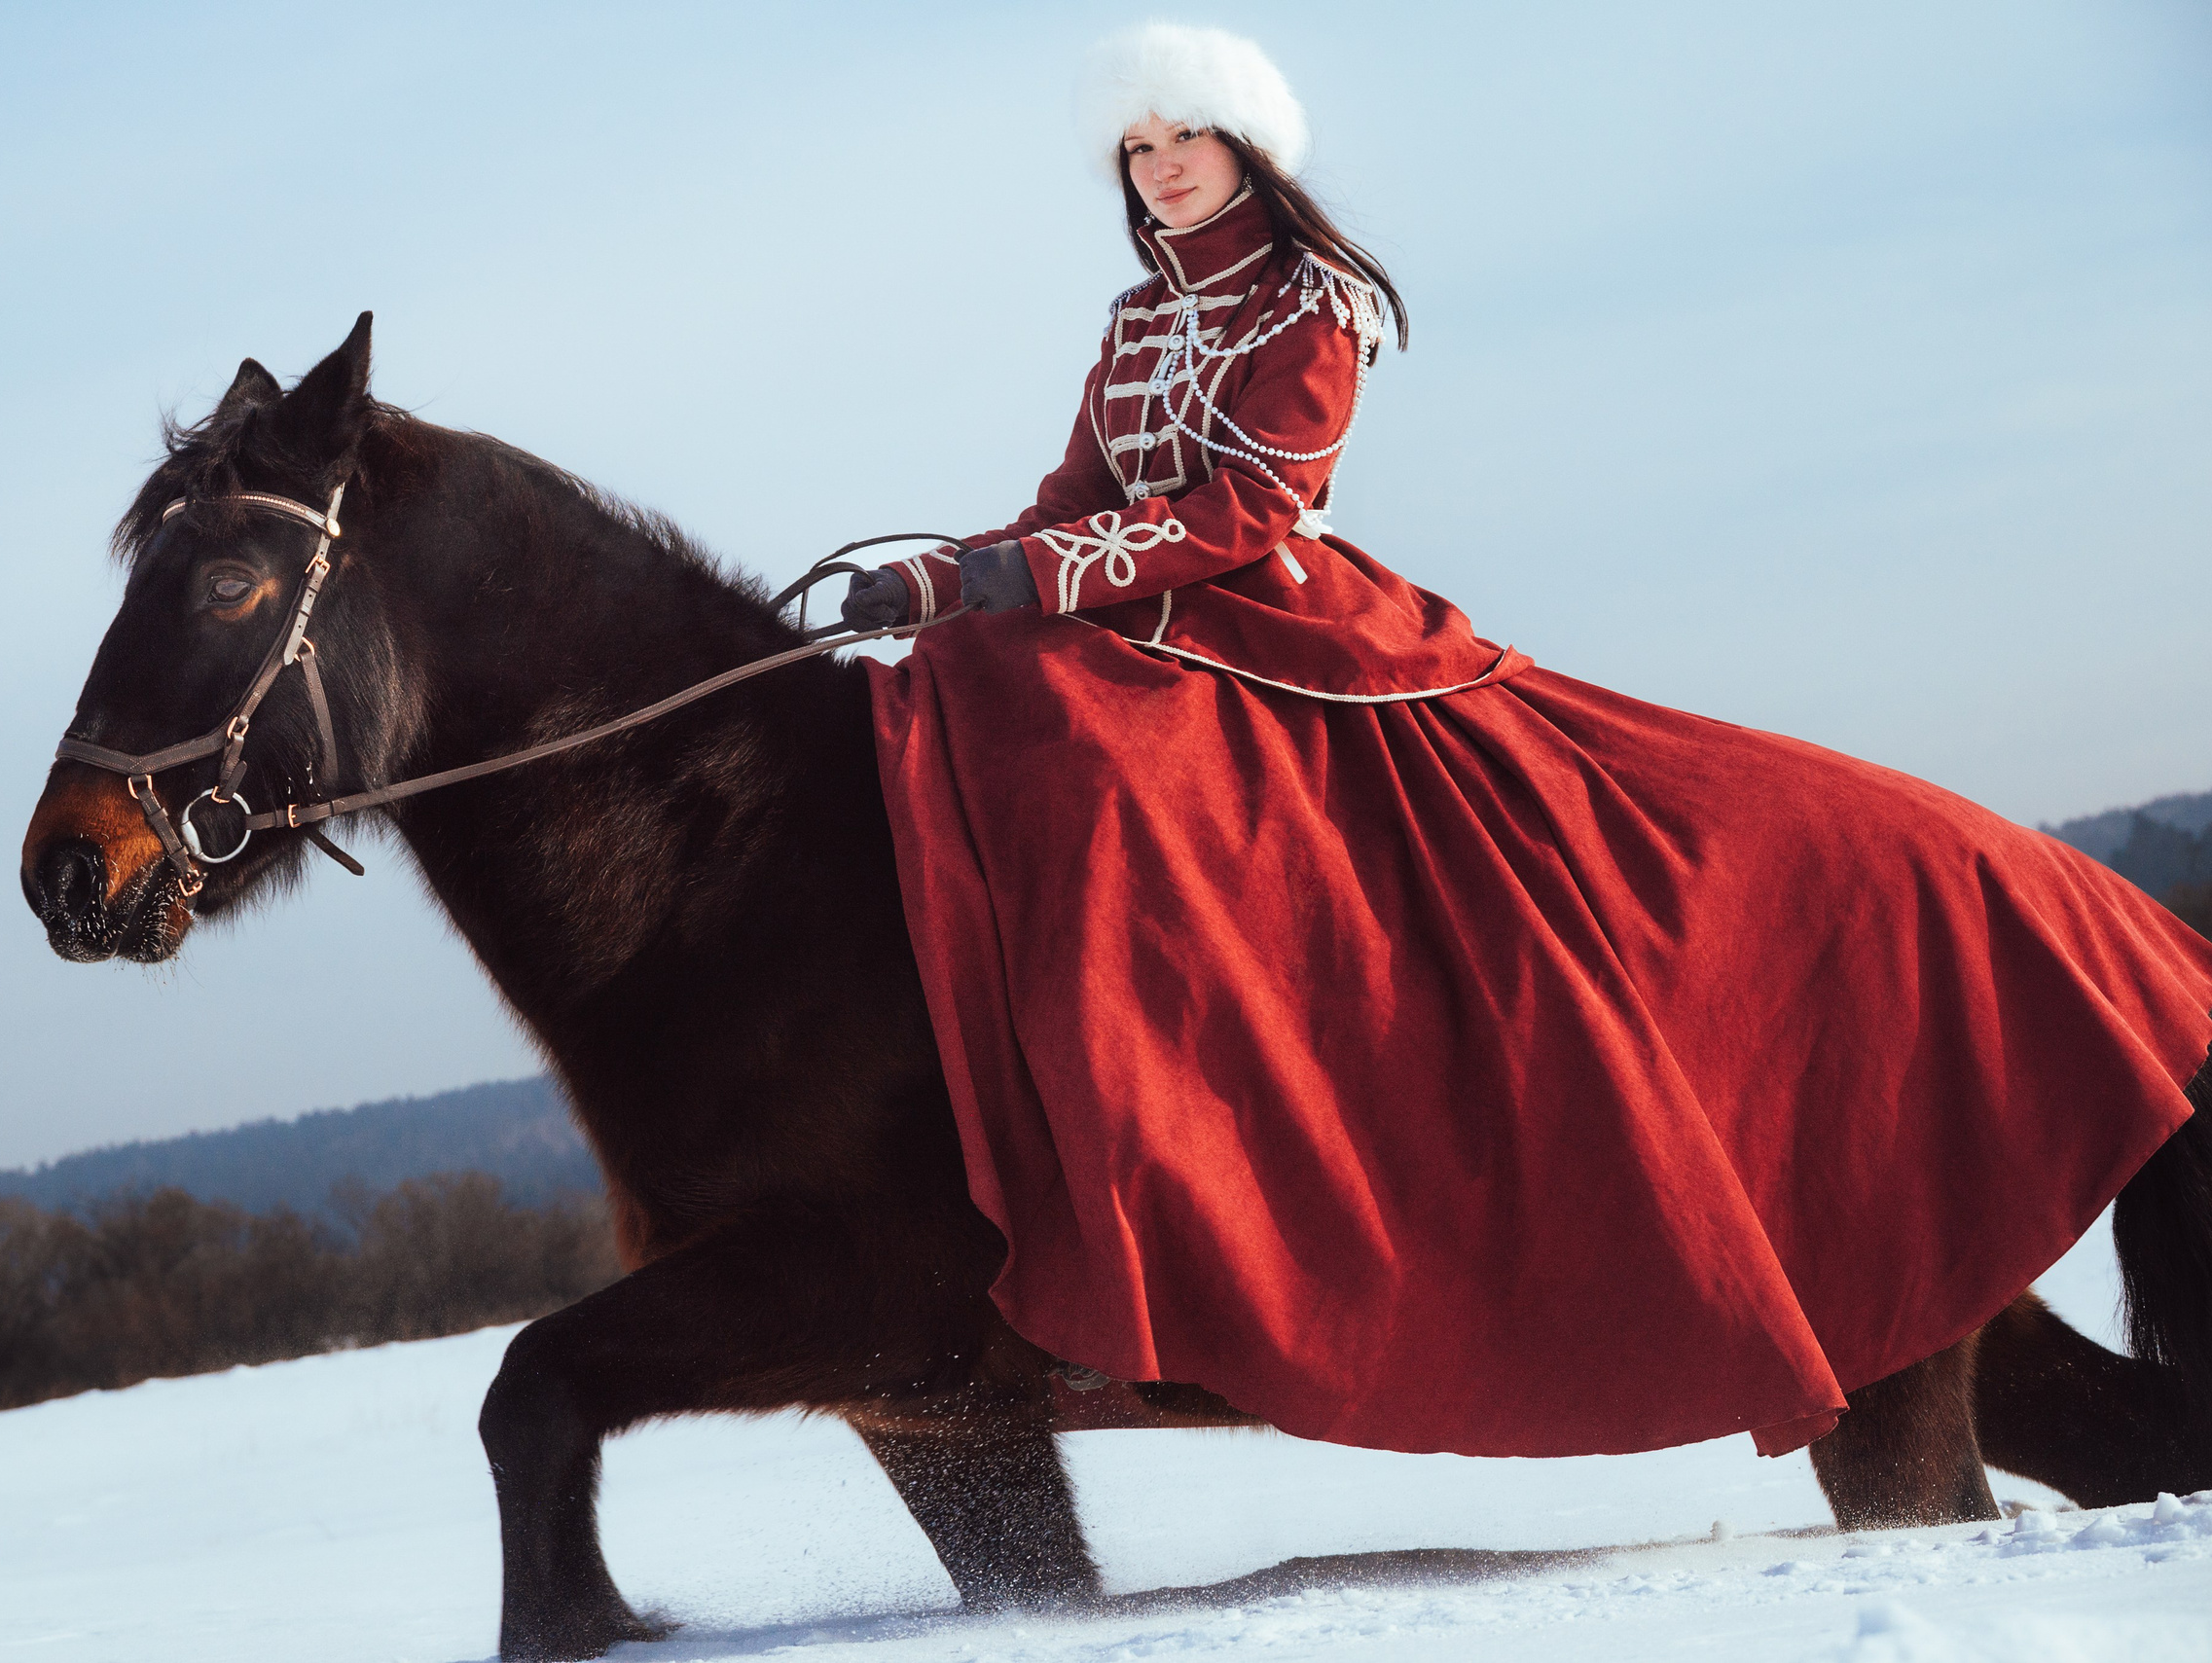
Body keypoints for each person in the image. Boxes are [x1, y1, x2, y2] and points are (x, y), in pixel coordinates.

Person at [850, 23, 2212, 1460]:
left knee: (1110, 778)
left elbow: (1245, 511)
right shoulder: (1134, 322)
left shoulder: (1314, 303)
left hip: (1282, 619)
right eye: (1135, 148)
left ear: (1246, 145)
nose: (1159, 167)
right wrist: (938, 579)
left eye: (1182, 136)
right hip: (1134, 614)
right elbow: (1071, 493)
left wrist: (1040, 579)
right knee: (982, 691)